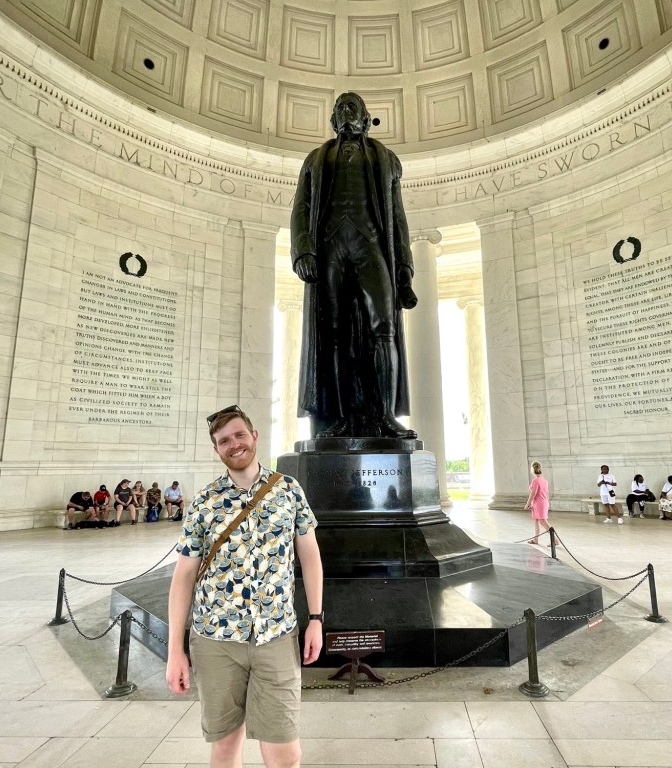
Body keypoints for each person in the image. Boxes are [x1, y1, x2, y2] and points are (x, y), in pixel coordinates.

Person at [166, 405, 324, 768]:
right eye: (224, 440)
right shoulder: (204, 501)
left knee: (286, 754)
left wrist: (316, 618)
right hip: (216, 642)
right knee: (224, 748)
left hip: (276, 636)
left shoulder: (288, 490)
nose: (234, 444)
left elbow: (310, 556)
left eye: (239, 435)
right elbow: (184, 576)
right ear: (216, 450)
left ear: (254, 436)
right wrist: (176, 650)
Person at [290, 92, 418, 439]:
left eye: (353, 107)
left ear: (365, 117)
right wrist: (303, 251)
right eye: (341, 108)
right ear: (334, 119)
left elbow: (398, 216)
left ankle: (385, 417)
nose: (347, 112)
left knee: (384, 327)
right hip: (329, 247)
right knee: (332, 333)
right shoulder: (316, 159)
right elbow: (301, 207)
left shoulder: (385, 159)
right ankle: (339, 417)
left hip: (370, 245)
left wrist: (404, 266)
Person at [525, 461, 551, 544]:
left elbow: (533, 493)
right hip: (542, 503)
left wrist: (527, 504)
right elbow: (547, 493)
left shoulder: (535, 481)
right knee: (537, 521)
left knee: (543, 522)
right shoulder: (545, 481)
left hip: (539, 504)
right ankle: (535, 539)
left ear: (532, 469)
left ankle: (555, 540)